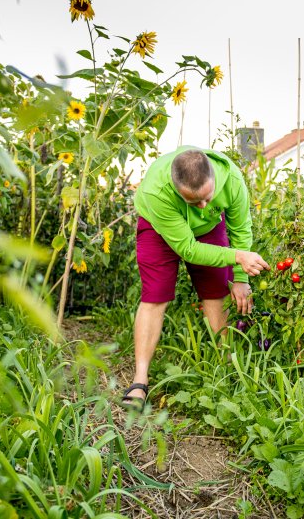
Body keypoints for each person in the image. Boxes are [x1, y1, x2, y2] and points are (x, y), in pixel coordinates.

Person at [122, 146, 270, 410]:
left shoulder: (233, 180)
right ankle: (140, 380)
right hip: (161, 227)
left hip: (209, 229)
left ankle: (228, 371)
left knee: (216, 292)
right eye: (194, 202)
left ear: (214, 179)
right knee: (155, 296)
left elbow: (241, 228)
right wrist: (236, 257)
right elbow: (188, 249)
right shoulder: (157, 191)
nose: (203, 206)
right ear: (177, 189)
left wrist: (240, 278)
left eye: (207, 198)